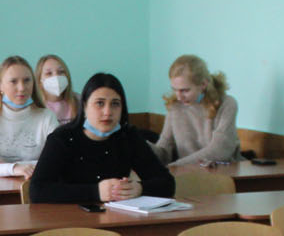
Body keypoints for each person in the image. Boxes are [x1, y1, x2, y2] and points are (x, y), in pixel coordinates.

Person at [28, 73, 175, 204]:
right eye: (100, 103)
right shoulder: (62, 138)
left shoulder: (128, 136)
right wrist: (95, 192)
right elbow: (37, 190)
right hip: (71, 220)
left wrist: (140, 188)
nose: (107, 112)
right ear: (85, 106)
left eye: (115, 104)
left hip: (117, 218)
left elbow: (167, 183)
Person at [0, 56, 58, 178]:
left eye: (27, 80)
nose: (22, 88)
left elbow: (58, 160)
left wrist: (13, 166)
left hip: (31, 184)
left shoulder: (47, 117)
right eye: (13, 81)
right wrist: (12, 169)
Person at [152, 54, 240, 167]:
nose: (179, 97)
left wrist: (176, 167)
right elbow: (164, 152)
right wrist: (141, 146)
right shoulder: (175, 107)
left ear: (203, 84)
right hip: (188, 172)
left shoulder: (227, 104)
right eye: (175, 90)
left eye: (185, 90)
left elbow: (221, 150)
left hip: (224, 172)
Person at [35, 54, 80, 124]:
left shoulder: (78, 100)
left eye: (61, 72)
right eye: (49, 73)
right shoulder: (35, 106)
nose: (56, 76)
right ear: (39, 81)